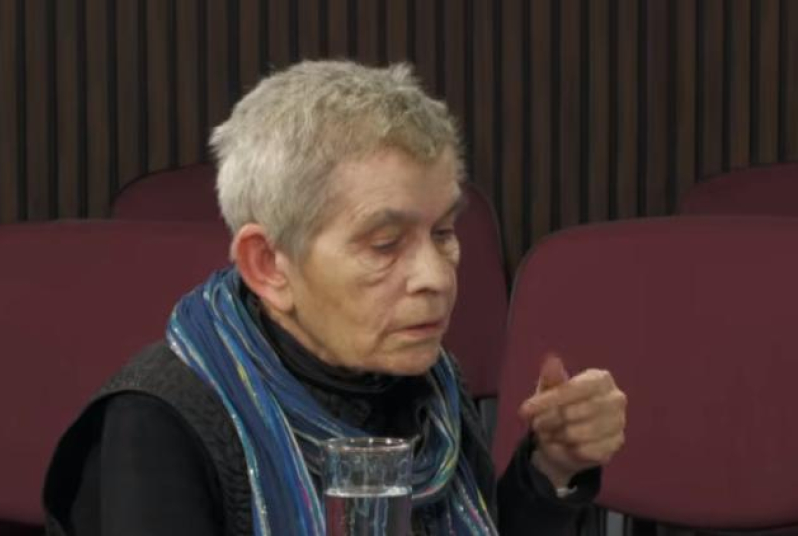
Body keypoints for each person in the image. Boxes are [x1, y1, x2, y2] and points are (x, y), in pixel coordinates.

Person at [43, 60, 627, 535]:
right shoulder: (158, 421)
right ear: (268, 265)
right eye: (384, 244)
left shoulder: (430, 382)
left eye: (444, 233)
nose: (435, 277)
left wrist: (554, 464)